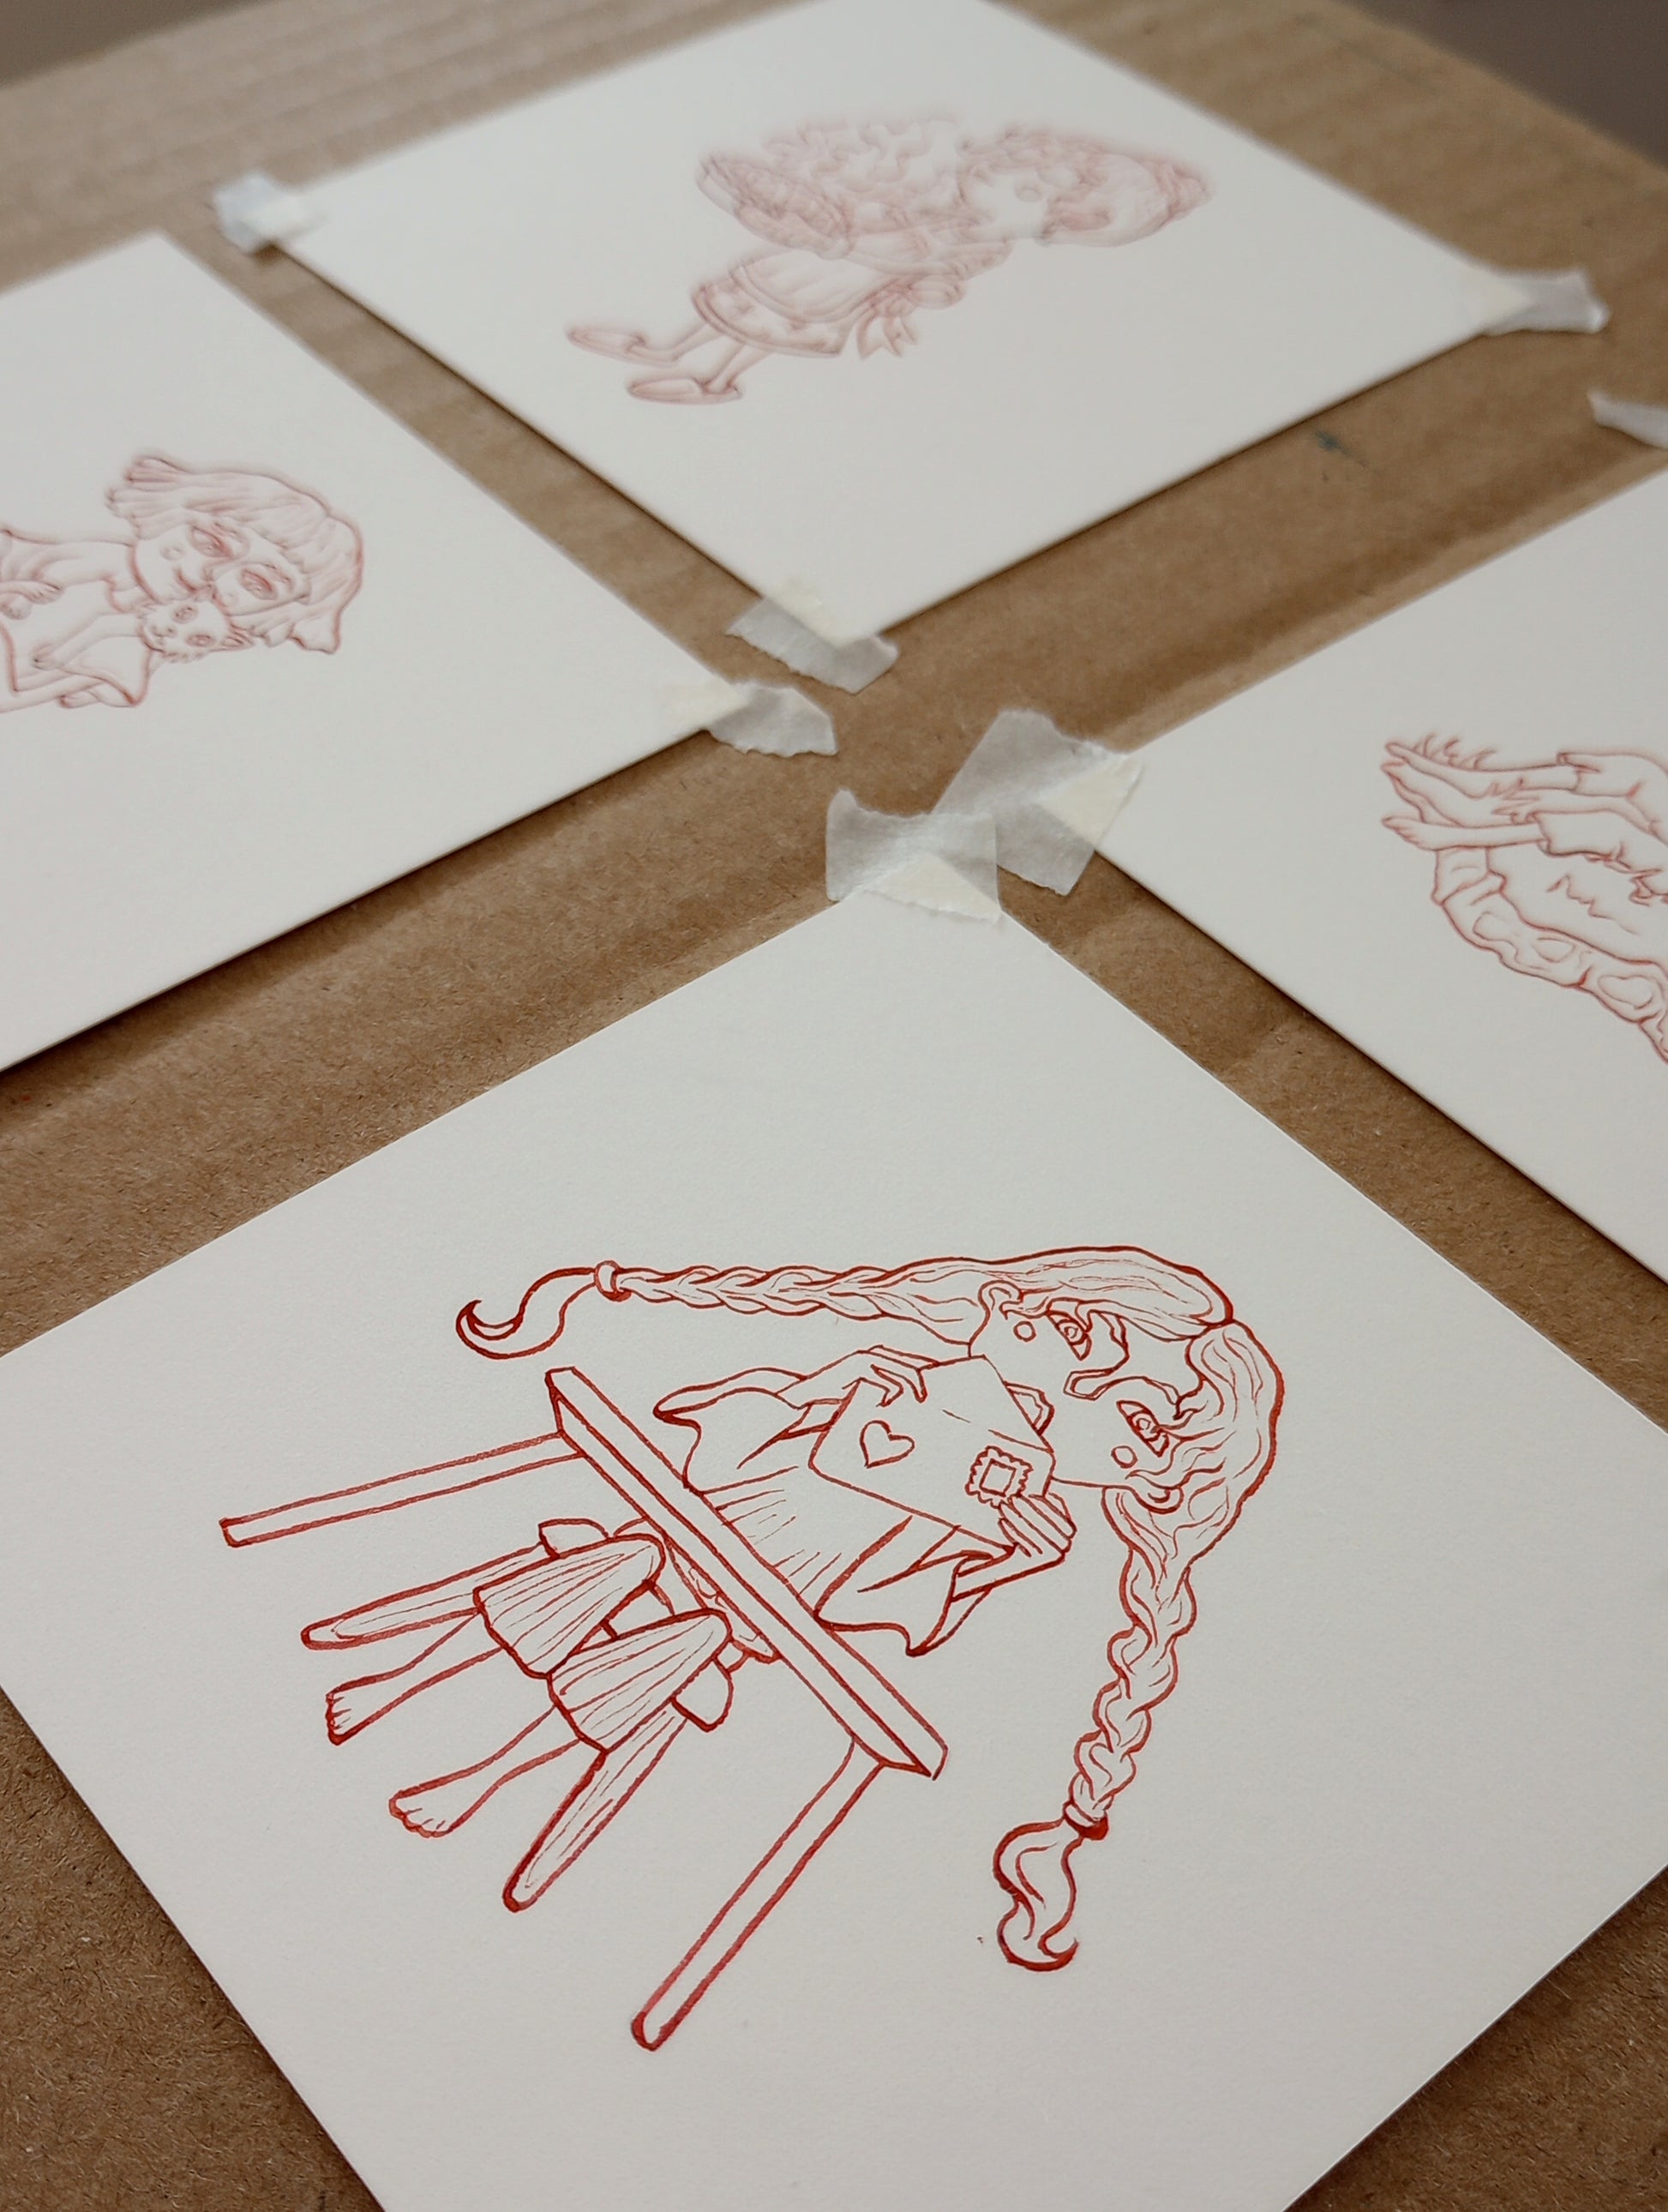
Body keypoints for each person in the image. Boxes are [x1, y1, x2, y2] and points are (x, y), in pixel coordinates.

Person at [418, 1247, 1281, 1964]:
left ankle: (482, 1777)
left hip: (739, 1626)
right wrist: (817, 1390)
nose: (1078, 1397)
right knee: (540, 1597)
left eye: (1142, 1433)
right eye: (1078, 1338)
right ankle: (400, 1679)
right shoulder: (897, 1390)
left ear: (1149, 1486)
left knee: (636, 1689)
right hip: (672, 1536)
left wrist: (1006, 1563)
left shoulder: (992, 1516)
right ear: (1010, 1306)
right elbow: (707, 1435)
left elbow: (867, 1604)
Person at [570, 118, 1209, 404]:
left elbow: (911, 263)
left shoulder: (975, 245)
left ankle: (712, 382)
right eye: (1017, 165)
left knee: (756, 331)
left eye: (1032, 187)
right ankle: (665, 351)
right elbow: (882, 221)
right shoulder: (947, 208)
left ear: (1057, 225)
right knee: (733, 302)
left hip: (831, 285)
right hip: (820, 261)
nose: (999, 172)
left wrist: (838, 242)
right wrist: (834, 219)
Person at [0, 454, 363, 716]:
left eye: (257, 584)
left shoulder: (134, 644)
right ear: (169, 509)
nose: (213, 576)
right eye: (210, 544)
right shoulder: (94, 557)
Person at [1383, 736, 1668, 1058]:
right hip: (1605, 893)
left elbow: (1484, 916)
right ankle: (1483, 792)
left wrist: (1453, 838)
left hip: (1564, 902)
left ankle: (1469, 818)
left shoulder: (1639, 986)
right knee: (1642, 781)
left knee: (1616, 824)